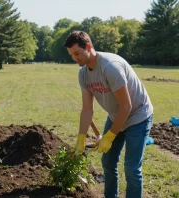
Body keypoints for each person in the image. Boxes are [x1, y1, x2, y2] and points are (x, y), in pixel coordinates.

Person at [64, 31, 153, 198]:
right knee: (108, 162)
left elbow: (126, 106)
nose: (74, 58)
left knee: (132, 168)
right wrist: (81, 138)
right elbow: (87, 109)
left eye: (77, 53)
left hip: (138, 115)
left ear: (88, 47)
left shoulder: (110, 67)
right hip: (116, 115)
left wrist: (110, 136)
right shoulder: (83, 73)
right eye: (71, 55)